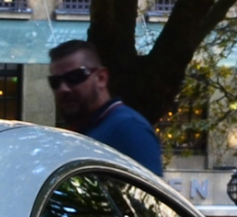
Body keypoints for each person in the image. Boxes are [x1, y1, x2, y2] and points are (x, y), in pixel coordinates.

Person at [45, 39, 161, 174]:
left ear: (101, 78)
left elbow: (147, 193)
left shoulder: (129, 129)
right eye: (55, 82)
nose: (63, 89)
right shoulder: (81, 131)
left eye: (74, 77)